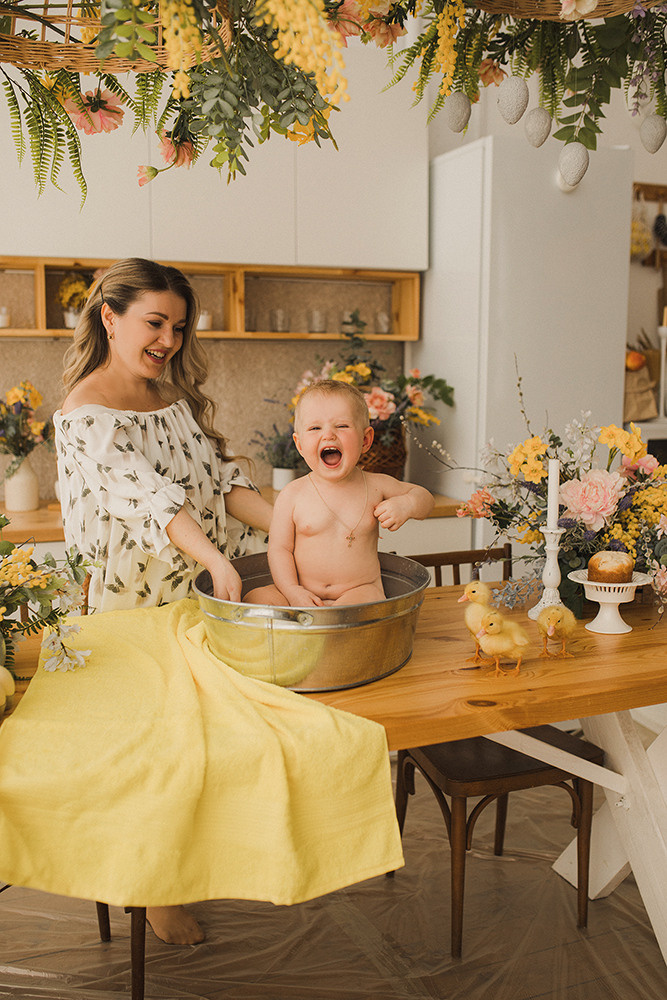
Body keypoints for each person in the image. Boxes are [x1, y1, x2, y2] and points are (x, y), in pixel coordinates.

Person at [55, 257, 274, 945]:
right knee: (154, 762)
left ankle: (183, 868)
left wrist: (298, 524)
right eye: (155, 323)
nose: (168, 340)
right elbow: (151, 500)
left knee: (203, 752)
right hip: (131, 617)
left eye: (178, 327)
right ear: (108, 316)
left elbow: (219, 483)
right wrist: (212, 555)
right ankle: (153, 891)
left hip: (197, 606)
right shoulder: (86, 413)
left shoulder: (170, 397)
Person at [251, 379, 434, 607]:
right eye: (315, 428)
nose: (328, 435)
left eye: (342, 426)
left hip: (358, 592)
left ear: (366, 440)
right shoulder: (292, 494)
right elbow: (279, 550)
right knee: (256, 598)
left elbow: (425, 499)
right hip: (302, 594)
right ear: (299, 444)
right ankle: (308, 621)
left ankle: (326, 629)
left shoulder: (377, 485)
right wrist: (292, 591)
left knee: (367, 603)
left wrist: (407, 504)